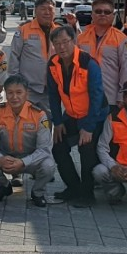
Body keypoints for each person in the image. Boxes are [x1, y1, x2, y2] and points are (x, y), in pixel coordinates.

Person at [45, 24, 107, 208]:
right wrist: (57, 122)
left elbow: (97, 97)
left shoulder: (89, 63)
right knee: (58, 146)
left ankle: (87, 194)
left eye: (65, 42)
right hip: (72, 114)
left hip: (94, 115)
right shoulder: (53, 64)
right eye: (57, 43)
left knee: (86, 150)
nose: (61, 47)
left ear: (74, 41)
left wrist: (88, 127)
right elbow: (53, 95)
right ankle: (73, 187)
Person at [0, 75, 57, 207]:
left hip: (30, 159)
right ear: (5, 94)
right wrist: (0, 158)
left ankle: (37, 193)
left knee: (48, 166)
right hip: (6, 157)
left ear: (27, 93)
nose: (14, 97)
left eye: (19, 92)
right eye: (10, 93)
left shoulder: (39, 115)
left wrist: (23, 162)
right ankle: (2, 187)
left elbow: (44, 149)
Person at [76, 0, 127, 113]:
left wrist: (122, 96)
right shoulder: (81, 38)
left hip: (110, 98)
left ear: (113, 15)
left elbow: (126, 70)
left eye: (107, 12)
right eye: (98, 11)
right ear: (92, 14)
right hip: (84, 97)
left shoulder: (121, 39)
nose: (102, 14)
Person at [9, 0, 58, 111]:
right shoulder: (24, 29)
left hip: (52, 89)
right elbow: (14, 56)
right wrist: (16, 83)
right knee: (25, 119)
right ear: (35, 10)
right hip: (28, 89)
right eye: (43, 9)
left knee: (48, 120)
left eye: (50, 9)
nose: (47, 12)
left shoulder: (59, 31)